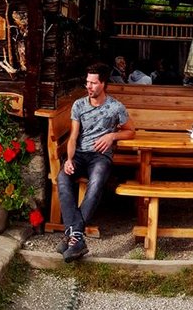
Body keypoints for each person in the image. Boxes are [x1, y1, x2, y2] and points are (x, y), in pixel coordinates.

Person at [56, 62, 136, 262]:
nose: (89, 87)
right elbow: (73, 137)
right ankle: (77, 237)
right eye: (87, 83)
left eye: (93, 83)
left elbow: (131, 131)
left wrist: (112, 136)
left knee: (97, 182)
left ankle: (71, 234)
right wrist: (69, 159)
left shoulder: (116, 107)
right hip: (80, 154)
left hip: (101, 156)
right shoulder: (79, 105)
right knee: (63, 178)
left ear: (103, 84)